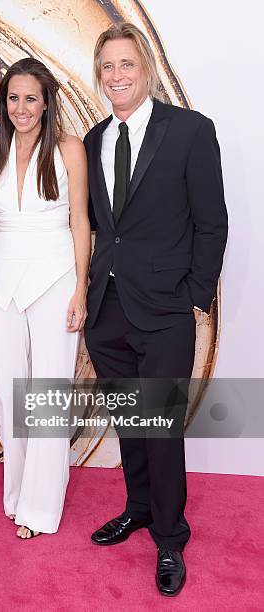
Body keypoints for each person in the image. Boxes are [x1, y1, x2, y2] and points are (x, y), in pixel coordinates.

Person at [83, 23, 228, 595]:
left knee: (161, 428)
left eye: (126, 65)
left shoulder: (190, 131)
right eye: (108, 68)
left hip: (166, 309)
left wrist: (193, 296)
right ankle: (138, 508)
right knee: (130, 425)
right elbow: (101, 228)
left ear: (146, 70)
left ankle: (170, 537)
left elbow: (211, 222)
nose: (116, 76)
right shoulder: (94, 138)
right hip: (109, 309)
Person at [0, 58, 91, 539]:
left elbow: (81, 220)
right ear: (4, 102)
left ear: (46, 102)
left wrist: (81, 288)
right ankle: (17, 491)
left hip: (56, 278)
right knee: (6, 390)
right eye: (13, 97)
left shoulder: (68, 147)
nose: (21, 107)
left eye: (30, 98)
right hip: (1, 280)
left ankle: (40, 508)